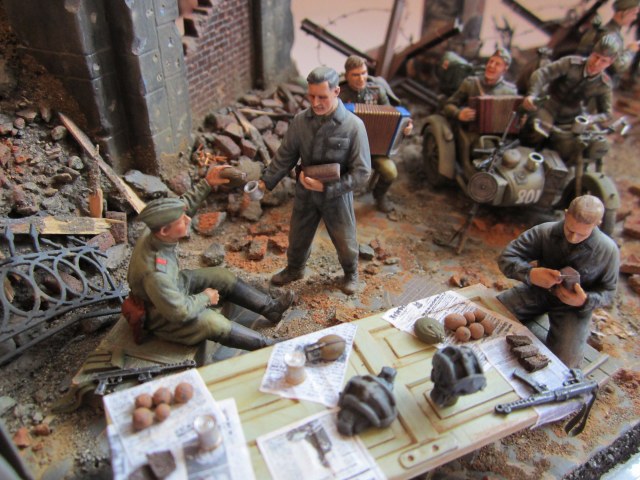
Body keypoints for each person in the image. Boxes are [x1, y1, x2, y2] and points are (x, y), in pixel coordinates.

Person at [127, 165, 295, 351]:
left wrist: (207, 183)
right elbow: (179, 312)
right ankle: (267, 347)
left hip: (174, 287)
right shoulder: (157, 273)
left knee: (221, 276)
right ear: (165, 231)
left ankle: (270, 308)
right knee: (212, 322)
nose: (188, 220)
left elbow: (184, 206)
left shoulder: (155, 230)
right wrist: (205, 298)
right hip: (162, 315)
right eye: (182, 221)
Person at [258, 66, 371, 295]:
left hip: (337, 195)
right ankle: (295, 269)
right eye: (311, 96)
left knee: (344, 238)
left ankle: (351, 273)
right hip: (306, 191)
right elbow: (286, 155)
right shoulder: (301, 121)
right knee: (298, 236)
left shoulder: (353, 126)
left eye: (322, 97)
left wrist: (328, 187)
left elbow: (362, 171)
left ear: (336, 91)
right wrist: (265, 181)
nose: (316, 103)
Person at [497, 195, 619, 368]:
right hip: (538, 292)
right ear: (566, 214)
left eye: (582, 234)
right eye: (570, 229)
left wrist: (584, 301)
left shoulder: (608, 250)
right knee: (492, 314)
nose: (573, 238)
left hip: (573, 308)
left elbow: (609, 292)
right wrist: (531, 274)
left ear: (597, 223)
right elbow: (506, 257)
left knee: (565, 364)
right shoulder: (545, 232)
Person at [338, 55, 413, 213]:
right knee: (335, 172)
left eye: (364, 73)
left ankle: (380, 196)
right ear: (347, 76)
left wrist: (404, 128)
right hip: (345, 149)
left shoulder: (377, 91)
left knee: (390, 171)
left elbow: (392, 116)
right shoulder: (339, 94)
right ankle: (338, 199)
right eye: (355, 75)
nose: (361, 78)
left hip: (374, 149)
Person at [520, 34, 619, 148]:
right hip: (548, 106)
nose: (596, 63)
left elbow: (607, 113)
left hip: (570, 118)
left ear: (610, 63)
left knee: (579, 146)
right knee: (537, 133)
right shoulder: (570, 63)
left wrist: (590, 118)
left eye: (603, 61)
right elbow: (542, 74)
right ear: (592, 53)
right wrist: (532, 95)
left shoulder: (604, 84)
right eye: (596, 57)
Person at [442, 47, 517, 124]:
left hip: (498, 131)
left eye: (497, 64)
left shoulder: (510, 92)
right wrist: (458, 113)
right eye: (490, 61)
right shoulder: (471, 83)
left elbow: (515, 117)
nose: (491, 66)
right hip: (469, 130)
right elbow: (448, 105)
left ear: (504, 69)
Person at [576, 0, 640, 82]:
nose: (634, 18)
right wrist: (630, 51)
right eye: (633, 14)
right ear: (624, 13)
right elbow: (618, 66)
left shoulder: (606, 30)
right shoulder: (610, 35)